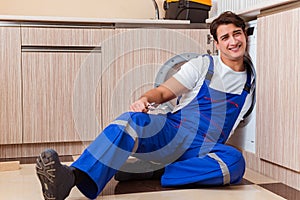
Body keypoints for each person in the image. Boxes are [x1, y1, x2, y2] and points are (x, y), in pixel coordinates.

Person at [36, 11, 255, 200]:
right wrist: (144, 99)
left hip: (203, 149)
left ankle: (153, 172)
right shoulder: (203, 65)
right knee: (133, 120)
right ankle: (72, 177)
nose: (232, 42)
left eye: (237, 34)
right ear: (217, 44)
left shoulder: (250, 81)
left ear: (245, 35)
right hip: (173, 133)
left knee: (234, 163)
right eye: (225, 37)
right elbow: (161, 92)